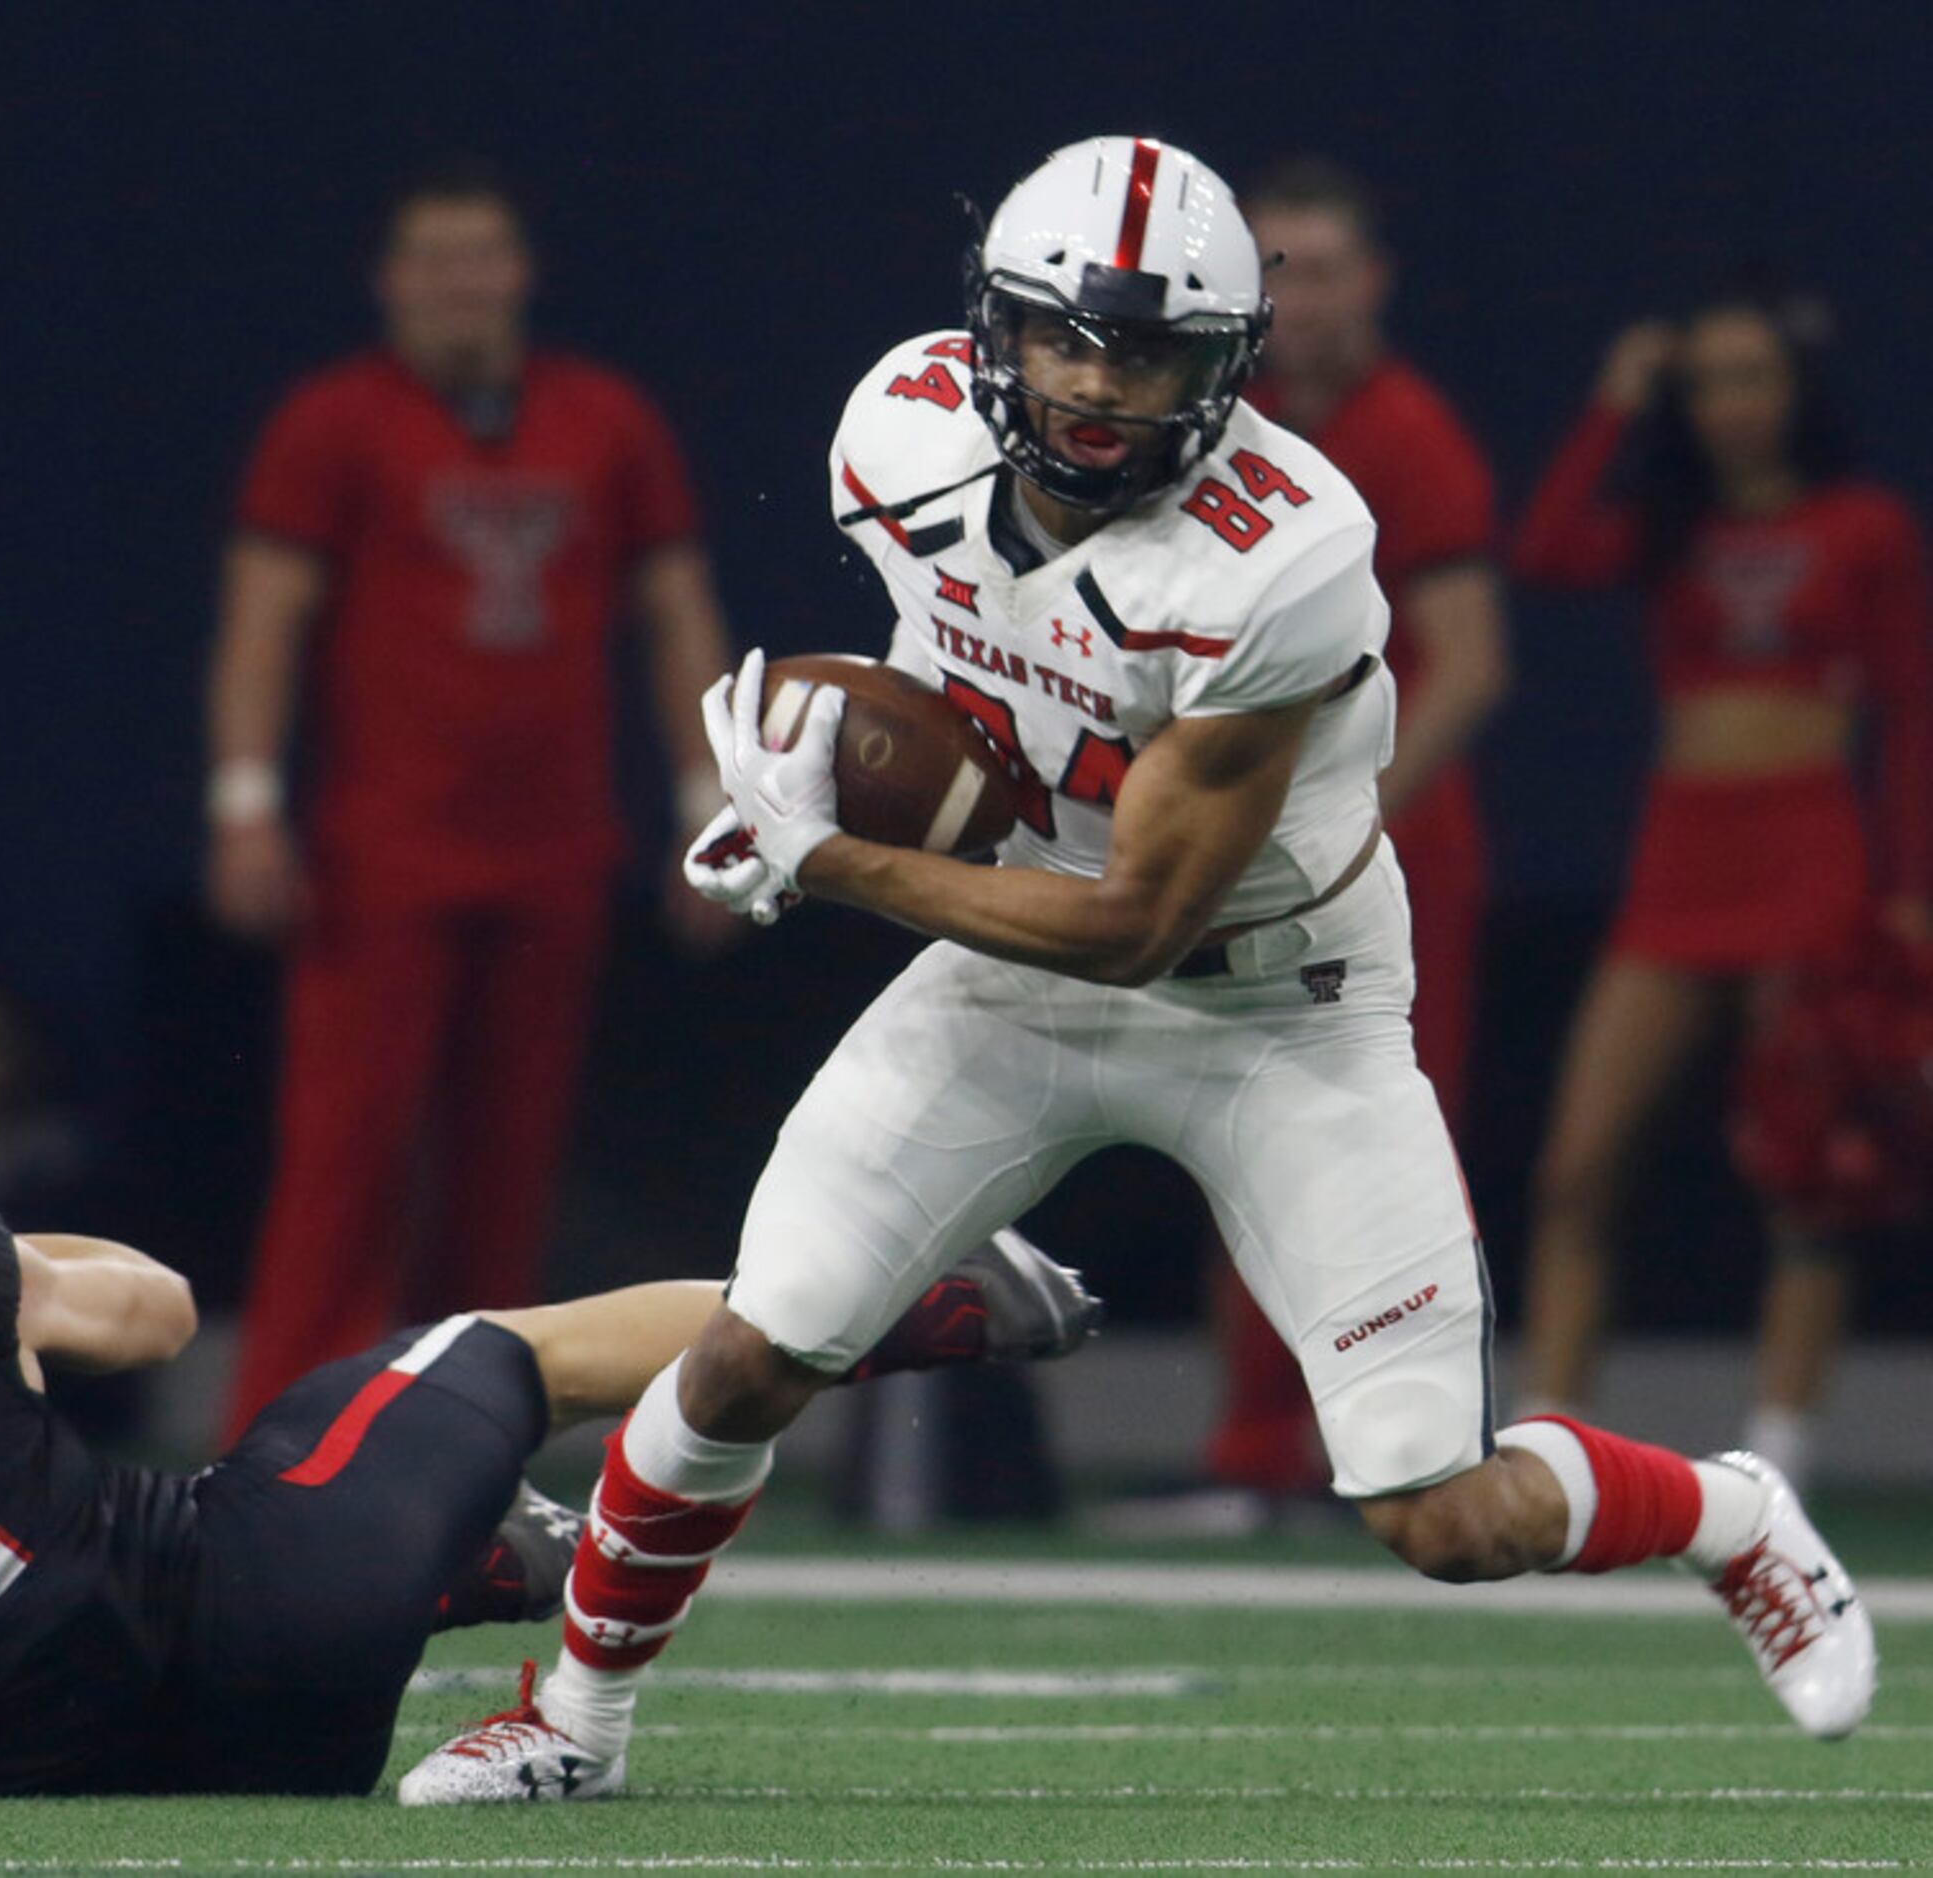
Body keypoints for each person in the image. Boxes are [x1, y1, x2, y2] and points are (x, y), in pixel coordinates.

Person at [399, 137, 1877, 1806]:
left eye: (1155, 352)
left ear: (1229, 366)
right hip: (1007, 961)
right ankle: (577, 1727)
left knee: (1438, 1514)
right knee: (755, 1347)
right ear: (992, 331)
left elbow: (1140, 925)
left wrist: (838, 860)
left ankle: (1730, 1509)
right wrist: (813, 791)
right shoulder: (902, 430)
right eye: (1067, 340)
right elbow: (951, 674)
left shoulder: (1283, 553)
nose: (1101, 389)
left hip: (1270, 1005)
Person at [0, 1073, 1099, 1798]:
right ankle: (943, 1304)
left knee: (281, 1499)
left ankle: (471, 1563)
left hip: (35, 1765)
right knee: (516, 1348)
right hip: (267, 1614)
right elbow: (148, 1312)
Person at [205, 159, 738, 1442]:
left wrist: (711, 797)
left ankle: (458, 1433)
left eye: (482, 255)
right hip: (383, 850)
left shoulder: (605, 421)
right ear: (390, 283)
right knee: (348, 1158)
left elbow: (675, 617)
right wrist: (243, 801)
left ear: (521, 273)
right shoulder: (333, 423)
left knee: (510, 1172)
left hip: (551, 847)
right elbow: (264, 620)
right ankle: (284, 1431)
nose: (460, 285)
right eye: (434, 259)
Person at [1511, 289, 1933, 1484]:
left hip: (1811, 860)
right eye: (1706, 383)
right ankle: (1552, 1443)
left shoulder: (1866, 524)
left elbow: (1909, 714)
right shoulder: (1667, 525)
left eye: (1752, 377)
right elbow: (1545, 550)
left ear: (1796, 388)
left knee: (1808, 1166)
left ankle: (1777, 1453)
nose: (1731, 405)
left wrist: (1911, 897)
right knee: (1577, 1164)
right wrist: (1614, 398)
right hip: (1680, 860)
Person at [1186, 157, 1512, 1504]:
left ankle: (1398, 1442)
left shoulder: (1404, 428)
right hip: (1254, 837)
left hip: (1382, 847)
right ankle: (1259, 1444)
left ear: (1369, 282)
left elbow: (1469, 661)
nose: (1293, 295)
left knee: (1381, 1141)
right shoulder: (1219, 423)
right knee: (1234, 1128)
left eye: (1316, 267)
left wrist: (1341, 813)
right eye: (1270, 268)